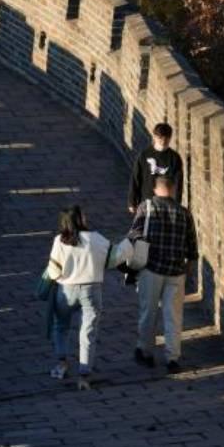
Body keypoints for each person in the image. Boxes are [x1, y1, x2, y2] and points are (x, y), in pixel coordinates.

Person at [129, 176, 198, 373]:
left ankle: (146, 352)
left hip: (151, 269)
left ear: (156, 189)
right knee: (173, 316)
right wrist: (187, 270)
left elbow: (134, 234)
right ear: (173, 189)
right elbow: (192, 248)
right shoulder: (184, 213)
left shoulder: (147, 207)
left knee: (148, 312)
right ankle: (172, 358)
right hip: (176, 271)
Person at [46, 206, 115, 390]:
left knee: (61, 326)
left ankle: (62, 363)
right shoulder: (96, 238)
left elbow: (53, 271)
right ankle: (84, 373)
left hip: (65, 290)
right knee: (88, 333)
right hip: (91, 290)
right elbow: (113, 255)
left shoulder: (59, 241)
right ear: (81, 219)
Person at [129, 122, 184, 214]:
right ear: (154, 137)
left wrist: (176, 204)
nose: (163, 141)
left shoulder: (174, 157)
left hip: (166, 204)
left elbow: (178, 183)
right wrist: (132, 202)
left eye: (166, 139)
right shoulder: (145, 155)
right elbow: (136, 178)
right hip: (146, 201)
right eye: (160, 138)